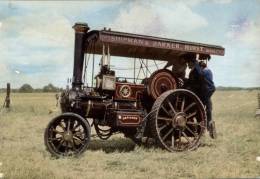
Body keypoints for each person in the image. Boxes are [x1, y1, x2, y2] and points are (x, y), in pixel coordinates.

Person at [185, 55, 216, 139]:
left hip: (204, 93)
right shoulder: (196, 71)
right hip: (203, 94)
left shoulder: (203, 71)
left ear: (193, 63)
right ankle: (203, 130)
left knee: (205, 111)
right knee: (204, 112)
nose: (187, 65)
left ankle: (209, 127)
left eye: (189, 63)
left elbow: (206, 84)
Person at [199, 61, 216, 139]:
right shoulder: (209, 71)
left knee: (208, 109)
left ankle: (209, 126)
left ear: (201, 67)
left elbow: (201, 77)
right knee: (208, 108)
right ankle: (209, 125)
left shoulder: (205, 72)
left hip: (207, 90)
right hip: (209, 90)